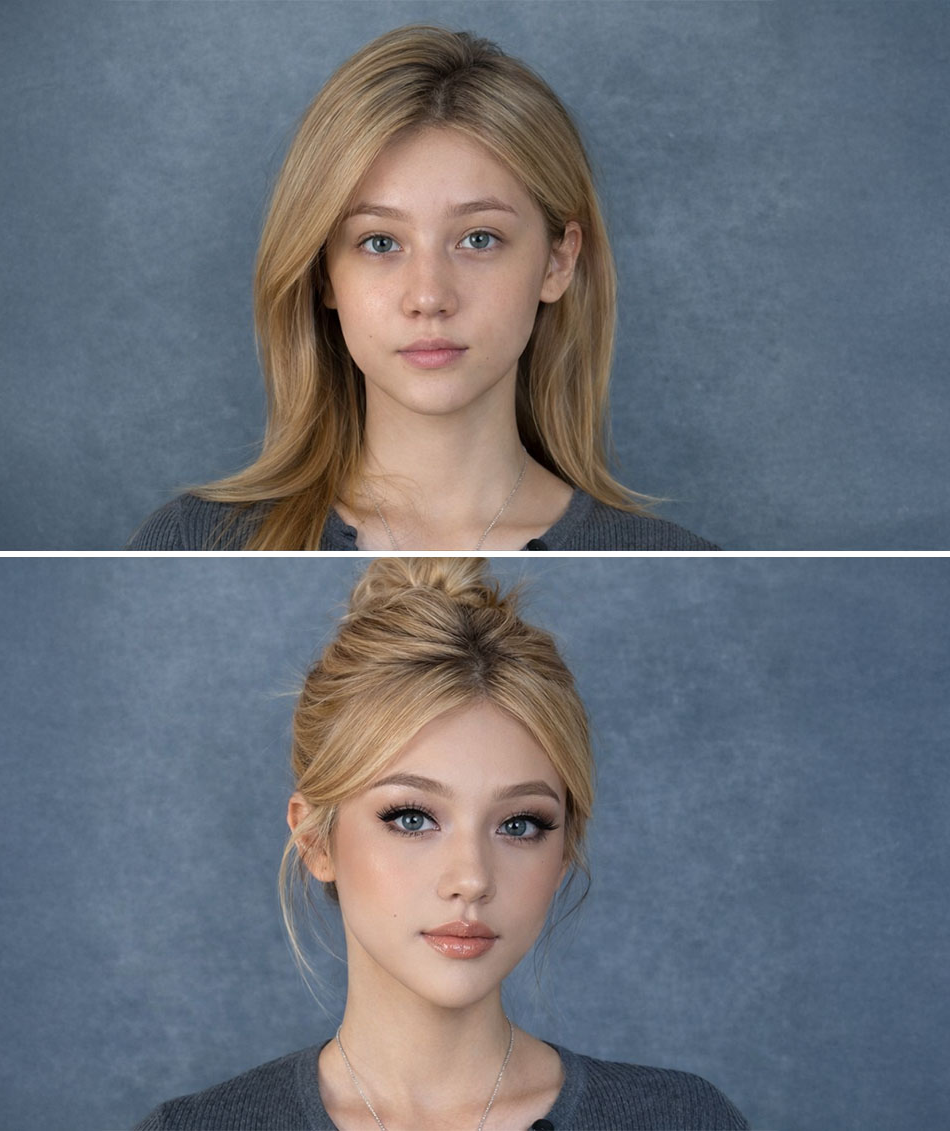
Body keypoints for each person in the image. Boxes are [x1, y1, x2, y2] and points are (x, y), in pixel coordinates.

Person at [132, 558, 748, 1129]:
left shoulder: (682, 1120)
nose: (471, 878)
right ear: (315, 840)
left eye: (519, 825)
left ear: (564, 852)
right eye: (411, 818)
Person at [126, 25, 717, 551]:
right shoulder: (192, 542)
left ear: (558, 263)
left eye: (479, 239)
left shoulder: (670, 553)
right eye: (380, 242)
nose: (429, 298)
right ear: (323, 273)